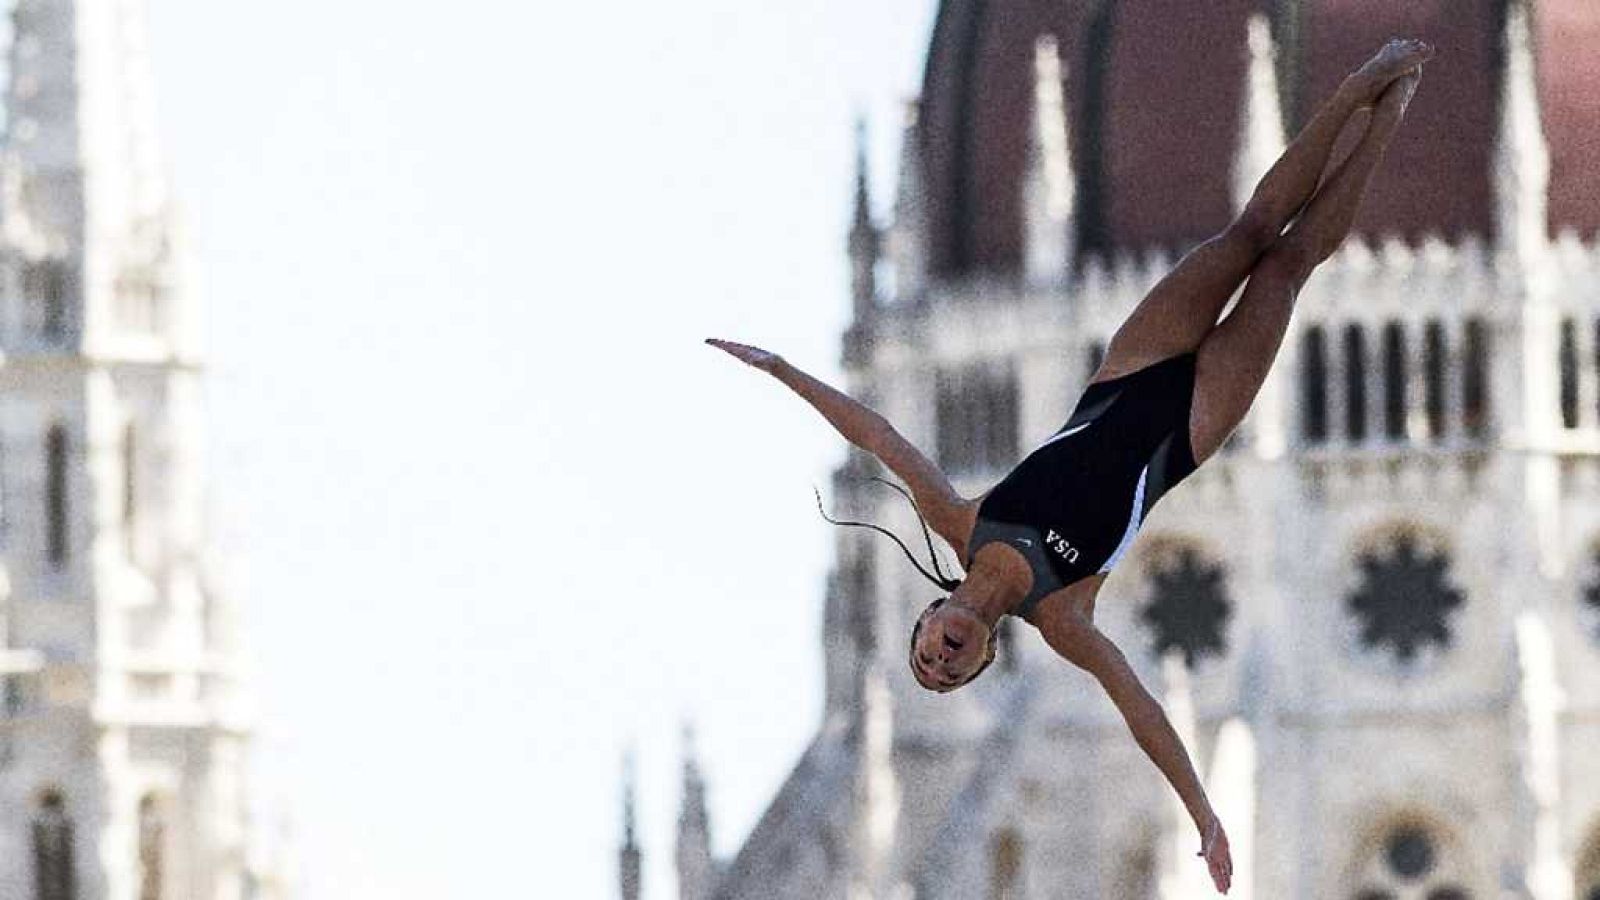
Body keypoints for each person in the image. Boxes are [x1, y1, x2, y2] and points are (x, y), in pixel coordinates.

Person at [709, 37, 1434, 895]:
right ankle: (1391, 111)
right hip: (1187, 434)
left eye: (926, 658)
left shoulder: (960, 519)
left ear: (932, 613)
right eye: (949, 672)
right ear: (982, 660)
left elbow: (880, 437)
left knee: (1245, 235)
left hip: (1128, 370)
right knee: (1289, 267)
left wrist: (784, 371)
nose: (940, 663)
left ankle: (1356, 85)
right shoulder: (1065, 617)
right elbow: (1144, 713)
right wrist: (1204, 818)